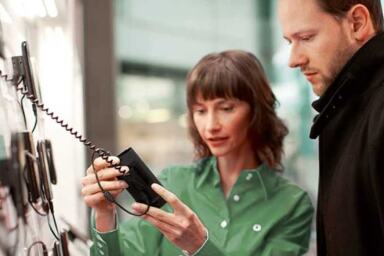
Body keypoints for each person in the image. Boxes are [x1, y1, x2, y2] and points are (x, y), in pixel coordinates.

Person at [81, 50, 314, 256]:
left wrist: (199, 246)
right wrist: (104, 213)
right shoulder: (171, 183)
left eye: (226, 108)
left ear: (257, 111)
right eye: (200, 110)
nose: (211, 125)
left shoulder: (292, 205)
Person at [277, 0, 384, 255]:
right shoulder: (348, 108)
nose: (293, 59)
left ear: (357, 23)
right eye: (289, 42)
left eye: (306, 37)